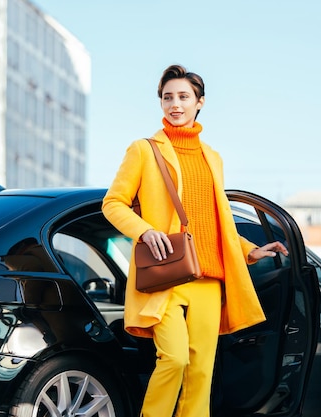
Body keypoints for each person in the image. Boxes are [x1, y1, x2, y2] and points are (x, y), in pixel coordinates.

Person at [102, 64, 288, 417]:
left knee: (201, 368)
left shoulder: (212, 158)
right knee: (172, 358)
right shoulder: (143, 150)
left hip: (209, 276)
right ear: (160, 103)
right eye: (168, 97)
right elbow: (112, 203)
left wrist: (250, 250)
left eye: (183, 97)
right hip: (165, 273)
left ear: (199, 103)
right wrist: (145, 230)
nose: (175, 104)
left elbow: (214, 219)